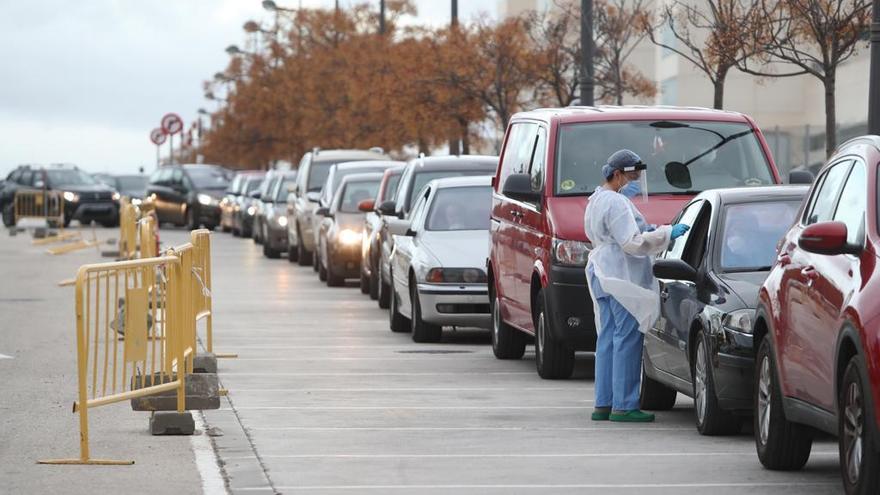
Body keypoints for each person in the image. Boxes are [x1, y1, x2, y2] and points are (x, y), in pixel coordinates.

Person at [584, 149, 689, 423]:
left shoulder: (597, 199)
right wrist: (666, 234)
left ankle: (603, 403)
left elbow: (627, 233)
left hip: (602, 271)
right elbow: (631, 243)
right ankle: (624, 405)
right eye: (631, 177)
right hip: (620, 275)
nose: (635, 182)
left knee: (607, 337)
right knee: (627, 337)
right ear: (617, 175)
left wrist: (654, 231)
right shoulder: (616, 203)